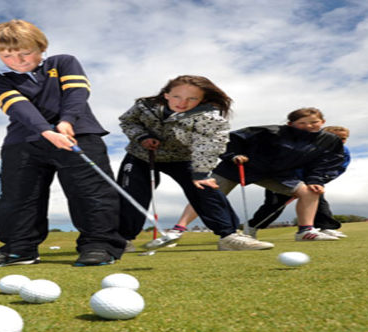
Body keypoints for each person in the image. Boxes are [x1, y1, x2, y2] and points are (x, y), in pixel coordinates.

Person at [0, 19, 126, 268]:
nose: (17, 60)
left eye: (24, 53)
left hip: (79, 134)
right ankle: (19, 249)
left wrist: (66, 121)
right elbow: (20, 108)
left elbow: (76, 93)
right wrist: (46, 131)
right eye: (6, 55)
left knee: (92, 193)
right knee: (16, 198)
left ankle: (99, 245)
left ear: (40, 48)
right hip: (23, 143)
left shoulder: (63, 62)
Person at [116, 75, 274, 252]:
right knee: (131, 194)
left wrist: (200, 174)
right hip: (141, 156)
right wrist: (142, 137)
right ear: (167, 94)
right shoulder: (144, 106)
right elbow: (128, 121)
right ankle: (122, 239)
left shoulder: (209, 118)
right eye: (177, 96)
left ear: (202, 99)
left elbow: (208, 145)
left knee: (205, 188)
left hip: (183, 158)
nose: (182, 103)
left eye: (192, 98)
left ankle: (229, 236)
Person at [173, 107, 346, 242]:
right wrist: (233, 155)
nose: (308, 126)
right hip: (239, 167)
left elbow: (326, 162)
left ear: (322, 121)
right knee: (206, 195)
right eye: (302, 123)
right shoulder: (272, 132)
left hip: (278, 173)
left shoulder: (330, 141)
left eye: (314, 122)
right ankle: (177, 230)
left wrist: (316, 179)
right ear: (290, 124)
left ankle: (306, 231)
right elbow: (229, 140)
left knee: (309, 192)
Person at [245, 126, 351, 237]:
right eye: (335, 138)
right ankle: (253, 226)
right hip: (285, 180)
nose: (339, 141)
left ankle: (325, 227)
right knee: (273, 206)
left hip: (313, 182)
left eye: (343, 138)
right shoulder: (306, 147)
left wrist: (319, 180)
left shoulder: (344, 151)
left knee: (319, 202)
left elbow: (338, 168)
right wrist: (298, 184)